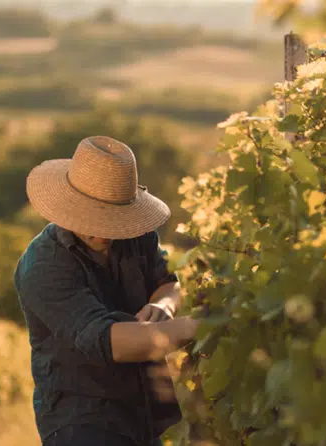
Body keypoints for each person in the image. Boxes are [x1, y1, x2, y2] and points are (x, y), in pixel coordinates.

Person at [14, 136, 199, 446]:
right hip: (82, 421)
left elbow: (168, 283)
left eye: (111, 218)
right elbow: (110, 342)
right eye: (92, 216)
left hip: (143, 413)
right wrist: (194, 327)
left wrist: (164, 306)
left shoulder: (135, 234)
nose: (101, 230)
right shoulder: (43, 265)